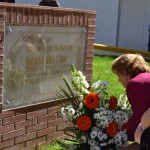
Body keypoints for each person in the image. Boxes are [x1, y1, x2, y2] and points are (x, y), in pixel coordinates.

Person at [111, 53, 150, 141]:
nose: (118, 80)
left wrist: (118, 130)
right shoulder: (145, 78)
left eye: (118, 75)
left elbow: (140, 118)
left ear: (125, 72)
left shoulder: (136, 84)